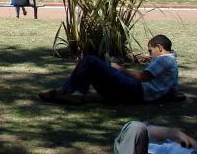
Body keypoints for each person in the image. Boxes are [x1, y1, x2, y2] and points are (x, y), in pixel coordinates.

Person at [39, 35, 178, 105]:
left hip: (140, 91)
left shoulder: (164, 59)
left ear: (160, 48)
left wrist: (122, 70)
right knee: (92, 67)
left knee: (90, 60)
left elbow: (143, 77)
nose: (149, 54)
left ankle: (69, 92)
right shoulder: (171, 61)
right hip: (140, 91)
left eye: (151, 50)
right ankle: (71, 92)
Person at [114, 120, 197, 154]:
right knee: (136, 127)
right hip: (132, 146)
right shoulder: (189, 146)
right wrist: (176, 134)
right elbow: (147, 131)